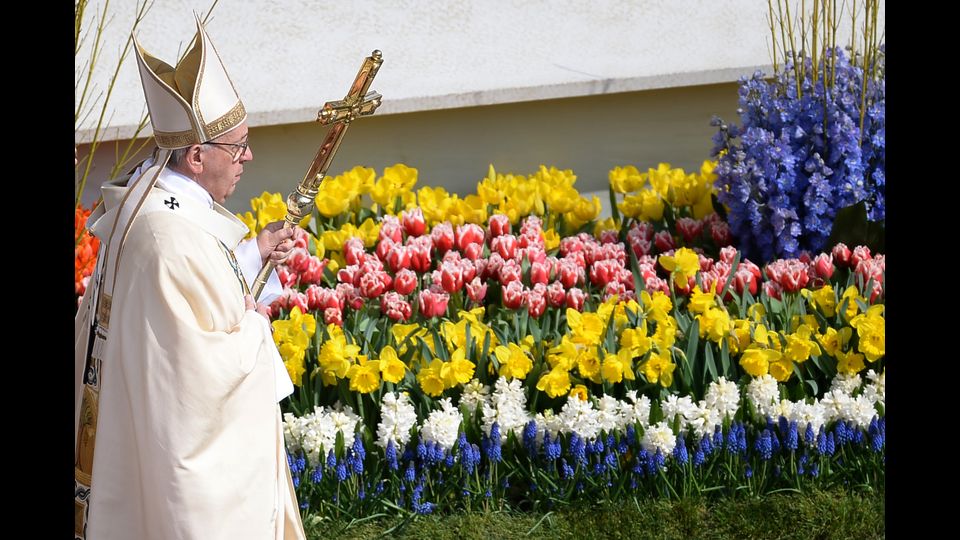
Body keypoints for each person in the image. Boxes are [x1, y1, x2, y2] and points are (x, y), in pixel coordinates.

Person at [74, 15, 306, 540]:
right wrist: (254, 328)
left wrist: (254, 254)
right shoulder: (167, 236)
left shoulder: (150, 196)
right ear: (197, 156)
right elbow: (196, 377)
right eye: (238, 146)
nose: (248, 156)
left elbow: (192, 296)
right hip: (169, 465)